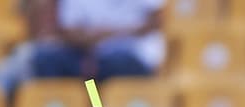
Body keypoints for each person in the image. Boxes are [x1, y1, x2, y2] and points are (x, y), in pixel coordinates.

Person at [31, 0, 166, 84]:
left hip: (130, 57)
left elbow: (155, 21)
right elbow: (71, 32)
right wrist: (125, 31)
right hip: (87, 57)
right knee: (46, 58)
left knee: (119, 62)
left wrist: (101, 34)